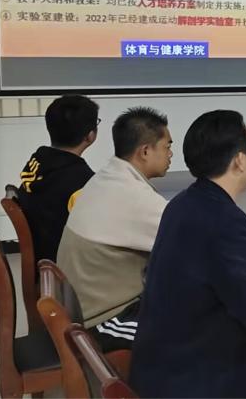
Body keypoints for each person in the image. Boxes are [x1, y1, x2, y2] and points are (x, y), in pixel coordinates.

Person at [130, 110, 246, 398]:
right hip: (199, 381)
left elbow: (214, 270)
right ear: (239, 161)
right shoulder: (226, 222)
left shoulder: (183, 203)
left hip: (162, 369)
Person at [57, 107, 172, 349]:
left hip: (81, 306)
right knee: (203, 326)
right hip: (101, 321)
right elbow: (193, 244)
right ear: (145, 151)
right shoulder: (134, 197)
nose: (170, 154)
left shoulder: (108, 177)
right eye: (167, 146)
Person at [16, 94, 98, 263]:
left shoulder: (38, 161)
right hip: (65, 265)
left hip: (43, 258)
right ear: (90, 135)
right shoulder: (83, 181)